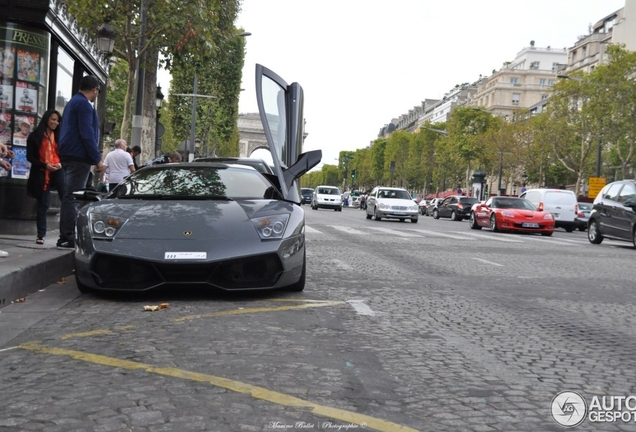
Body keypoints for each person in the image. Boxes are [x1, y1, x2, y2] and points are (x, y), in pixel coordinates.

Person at [56, 75, 104, 249]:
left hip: (70, 154)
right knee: (73, 197)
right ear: (94, 90)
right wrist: (97, 159)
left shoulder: (72, 102)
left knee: (76, 196)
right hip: (79, 156)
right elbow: (87, 133)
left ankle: (71, 234)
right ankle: (67, 236)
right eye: (97, 91)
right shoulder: (84, 104)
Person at [26, 109, 64, 245]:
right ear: (46, 119)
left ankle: (67, 233)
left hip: (58, 170)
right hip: (42, 171)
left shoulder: (60, 136)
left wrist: (59, 164)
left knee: (66, 198)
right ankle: (41, 234)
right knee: (43, 203)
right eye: (53, 119)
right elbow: (30, 157)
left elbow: (65, 155)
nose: (55, 122)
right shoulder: (35, 136)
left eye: (57, 120)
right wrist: (45, 165)